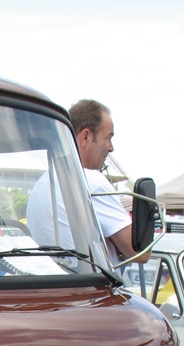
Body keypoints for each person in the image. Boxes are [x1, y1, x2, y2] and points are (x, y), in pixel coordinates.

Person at [27, 99, 147, 266]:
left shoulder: (41, 184)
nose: (111, 147)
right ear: (86, 137)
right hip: (92, 287)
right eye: (108, 137)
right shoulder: (91, 181)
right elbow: (139, 253)